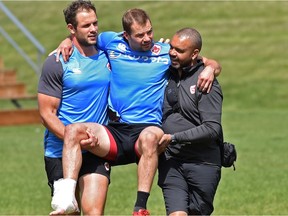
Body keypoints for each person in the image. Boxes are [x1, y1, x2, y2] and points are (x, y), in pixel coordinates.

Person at [51, 8, 222, 215]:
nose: (147, 38)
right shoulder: (110, 42)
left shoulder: (166, 52)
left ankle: (140, 207)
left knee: (150, 137)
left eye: (149, 32)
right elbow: (82, 38)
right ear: (126, 36)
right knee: (73, 131)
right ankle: (66, 197)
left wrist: (211, 68)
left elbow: (204, 60)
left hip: (148, 129)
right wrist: (67, 41)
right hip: (116, 129)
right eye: (140, 35)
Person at [37, 1, 111, 215]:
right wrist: (74, 140)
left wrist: (210, 64)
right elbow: (46, 114)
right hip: (59, 150)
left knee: (94, 212)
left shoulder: (108, 53)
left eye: (95, 23)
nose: (94, 29)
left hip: (95, 146)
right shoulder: (57, 61)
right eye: (86, 25)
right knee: (69, 212)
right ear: (71, 29)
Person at [157, 27, 223, 215]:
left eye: (179, 50)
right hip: (172, 161)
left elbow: (212, 129)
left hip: (203, 164)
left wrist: (173, 138)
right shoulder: (165, 71)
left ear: (195, 54)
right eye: (171, 47)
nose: (172, 53)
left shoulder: (205, 81)